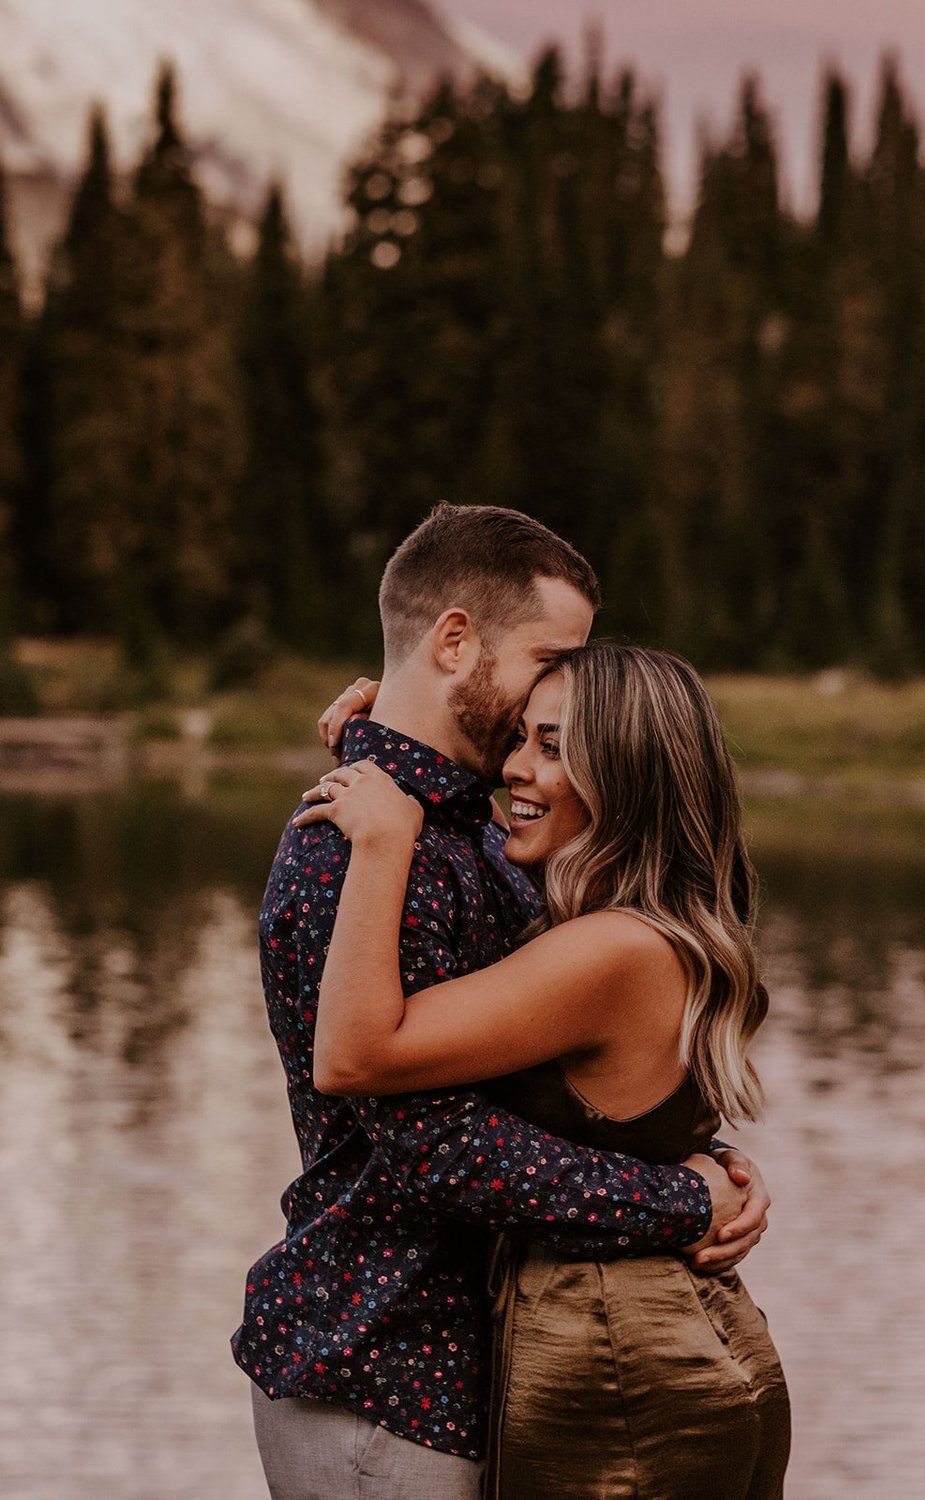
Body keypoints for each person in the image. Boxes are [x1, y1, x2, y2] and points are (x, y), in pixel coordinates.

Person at [233, 504, 772, 1500]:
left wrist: (706, 1165)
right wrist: (682, 1197)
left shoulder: (469, 833)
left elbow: (575, 1069)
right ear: (453, 642)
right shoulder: (352, 847)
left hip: (483, 1366)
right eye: (549, 657)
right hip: (382, 1365)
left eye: (556, 736)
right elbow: (426, 1138)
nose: (563, 679)